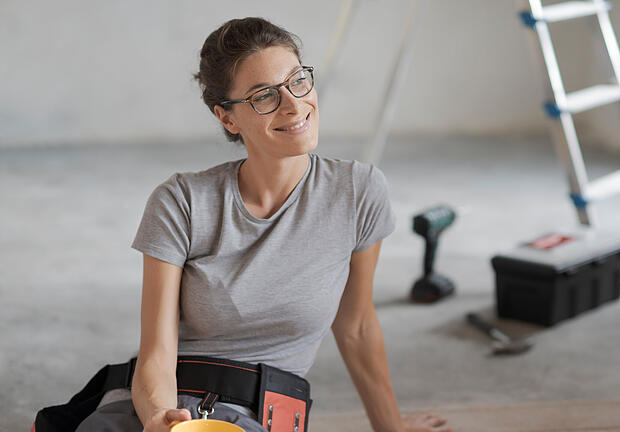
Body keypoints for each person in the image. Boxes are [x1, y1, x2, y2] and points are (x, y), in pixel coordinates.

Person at [59, 17, 451, 432]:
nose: (294, 104)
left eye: (298, 80)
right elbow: (156, 351)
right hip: (159, 406)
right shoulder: (181, 202)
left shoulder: (358, 191)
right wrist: (160, 418)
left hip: (261, 411)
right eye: (264, 96)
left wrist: (390, 427)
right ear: (228, 119)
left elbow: (356, 326)